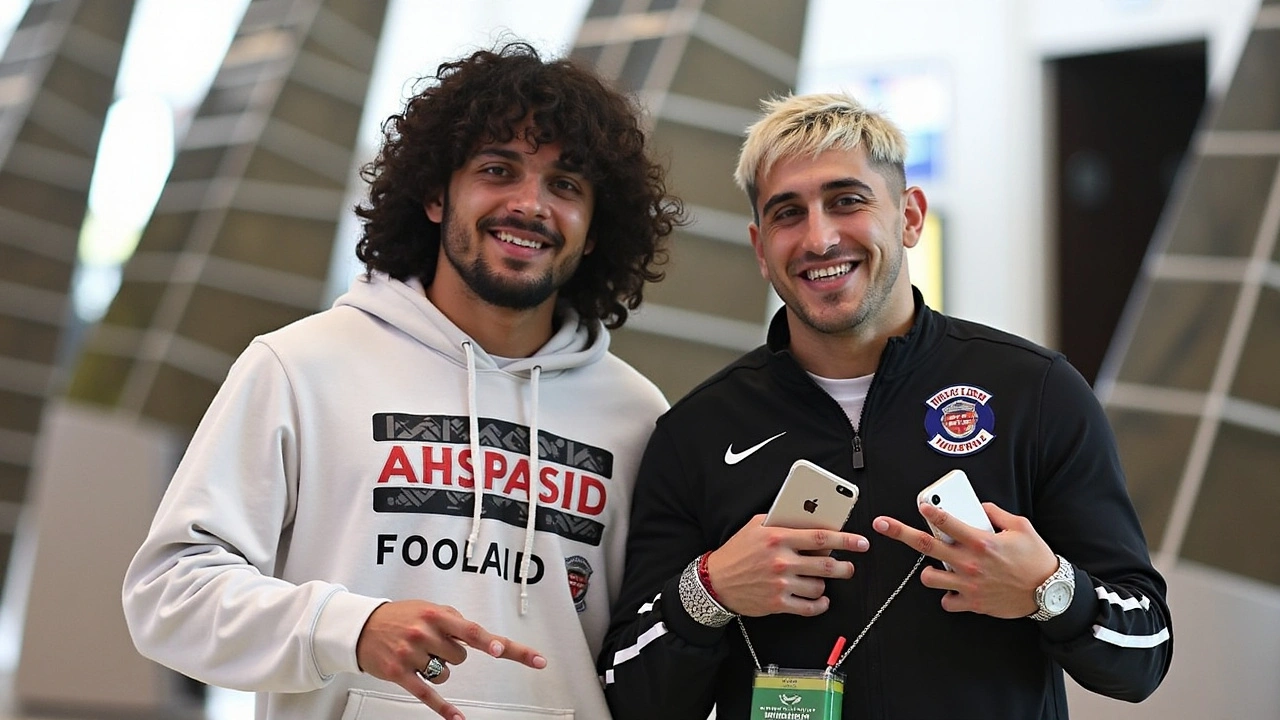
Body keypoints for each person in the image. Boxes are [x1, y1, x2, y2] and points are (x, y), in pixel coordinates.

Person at [123, 41, 683, 720]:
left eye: (565, 185)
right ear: (435, 196)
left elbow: (650, 645)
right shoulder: (301, 367)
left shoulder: (635, 414)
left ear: (594, 230)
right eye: (498, 170)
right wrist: (351, 628)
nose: (531, 204)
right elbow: (170, 595)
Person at [597, 92, 1171, 719]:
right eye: (789, 213)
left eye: (847, 200)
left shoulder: (1035, 392)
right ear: (761, 249)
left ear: (910, 216)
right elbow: (631, 697)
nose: (819, 237)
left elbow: (1144, 655)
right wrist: (708, 592)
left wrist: (1048, 591)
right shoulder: (698, 431)